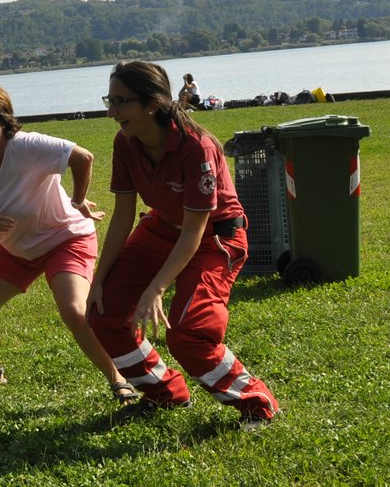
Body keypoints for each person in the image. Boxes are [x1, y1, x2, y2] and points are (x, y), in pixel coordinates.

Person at [88, 60, 280, 430]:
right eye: (108, 100)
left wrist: (157, 288)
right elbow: (123, 215)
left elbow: (195, 231)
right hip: (162, 226)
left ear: (152, 104)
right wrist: (100, 277)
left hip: (216, 236)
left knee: (190, 332)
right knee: (104, 313)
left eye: (120, 102)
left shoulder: (197, 147)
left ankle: (258, 403)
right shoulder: (125, 143)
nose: (111, 112)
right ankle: (165, 393)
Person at [0, 85, 135, 400]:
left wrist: (78, 200)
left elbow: (82, 157)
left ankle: (119, 378)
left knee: (73, 309)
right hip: (17, 249)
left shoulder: (26, 145)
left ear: (1, 118)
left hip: (65, 239)